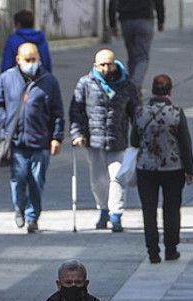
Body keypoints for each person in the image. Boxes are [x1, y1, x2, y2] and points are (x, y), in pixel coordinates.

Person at [0, 43, 64, 234]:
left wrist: (56, 137)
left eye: (35, 59)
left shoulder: (49, 81)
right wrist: (6, 124)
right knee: (19, 178)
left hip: (40, 141)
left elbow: (57, 112)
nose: (32, 63)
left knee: (36, 181)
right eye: (28, 60)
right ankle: (19, 208)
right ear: (18, 60)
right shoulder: (7, 78)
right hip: (16, 142)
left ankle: (32, 216)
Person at [69, 49, 140, 232]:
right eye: (102, 65)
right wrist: (77, 134)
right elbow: (76, 111)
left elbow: (136, 112)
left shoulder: (126, 85)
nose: (106, 68)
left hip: (118, 139)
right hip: (94, 140)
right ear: (95, 66)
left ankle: (116, 214)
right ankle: (103, 210)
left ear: (115, 64)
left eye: (110, 64)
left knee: (117, 177)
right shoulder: (85, 83)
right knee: (99, 180)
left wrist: (140, 136)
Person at [133, 74, 193, 263]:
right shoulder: (176, 113)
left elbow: (133, 140)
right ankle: (171, 248)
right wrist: (189, 170)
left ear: (152, 90)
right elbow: (185, 143)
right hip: (173, 168)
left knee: (148, 210)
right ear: (170, 90)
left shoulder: (140, 112)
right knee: (172, 209)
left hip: (146, 168)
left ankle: (152, 251)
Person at [108, 0, 165, 89]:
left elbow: (113, 3)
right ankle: (134, 86)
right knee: (142, 57)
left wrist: (113, 24)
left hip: (126, 20)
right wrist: (161, 20)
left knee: (132, 57)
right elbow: (159, 2)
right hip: (145, 19)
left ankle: (133, 88)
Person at [0, 9, 53, 74]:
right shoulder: (41, 38)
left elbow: (7, 65)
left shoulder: (13, 40)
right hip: (40, 79)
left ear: (18, 24)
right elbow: (47, 62)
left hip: (18, 80)